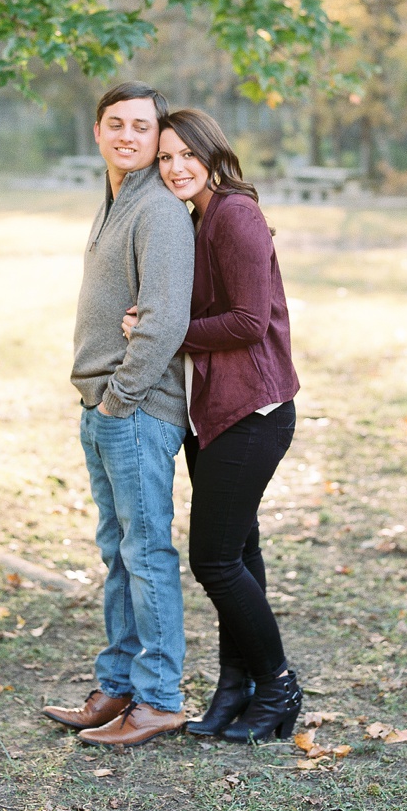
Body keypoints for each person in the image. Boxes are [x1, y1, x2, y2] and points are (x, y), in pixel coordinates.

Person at [133, 108, 301, 742]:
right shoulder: (197, 217)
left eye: (185, 155)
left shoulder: (235, 214)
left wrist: (159, 331)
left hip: (254, 410)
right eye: (164, 158)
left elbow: (247, 322)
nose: (175, 167)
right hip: (213, 414)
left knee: (214, 559)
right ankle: (238, 687)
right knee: (241, 552)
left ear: (210, 153)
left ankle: (279, 685)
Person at [40, 81, 196, 748]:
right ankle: (121, 683)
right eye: (116, 123)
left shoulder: (157, 211)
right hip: (103, 408)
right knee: (118, 551)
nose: (128, 135)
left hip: (133, 410)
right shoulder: (113, 201)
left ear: (156, 135)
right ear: (97, 131)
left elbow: (163, 324)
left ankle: (159, 696)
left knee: (146, 552)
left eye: (142, 126)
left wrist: (117, 400)